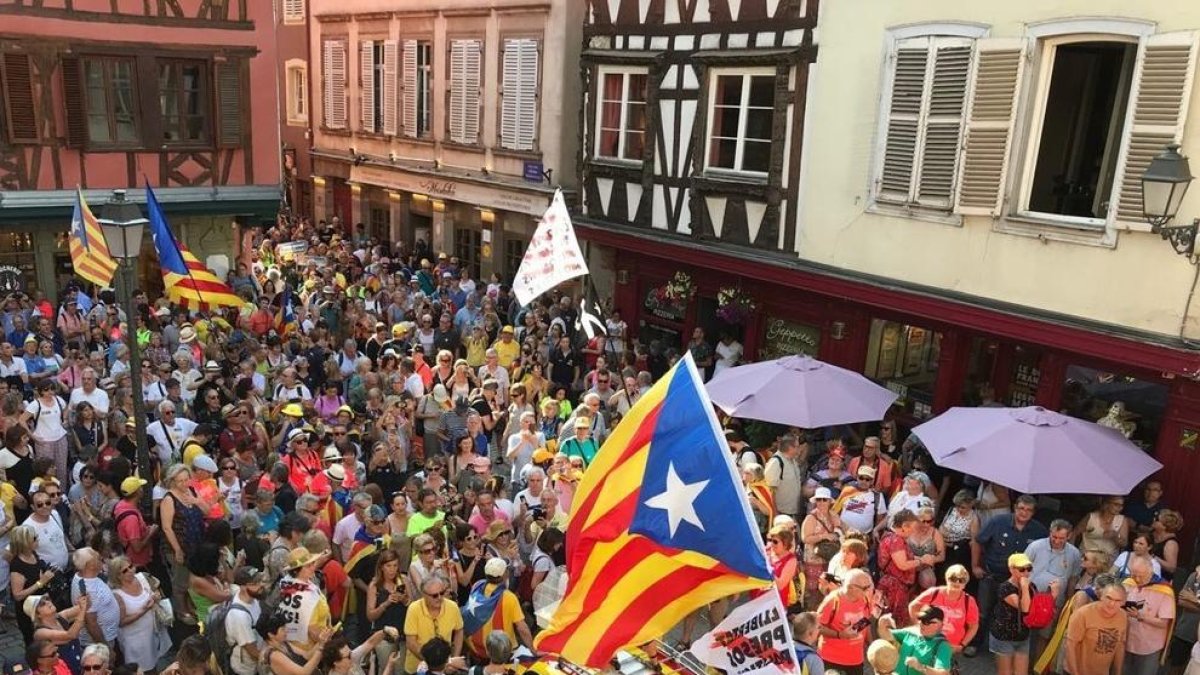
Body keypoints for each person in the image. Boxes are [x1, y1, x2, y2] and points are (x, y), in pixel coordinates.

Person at [972, 495, 1048, 653]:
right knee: (983, 613)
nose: (1024, 513)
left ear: (1033, 513)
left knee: (1014, 614)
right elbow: (978, 541)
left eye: (1028, 510)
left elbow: (1042, 554)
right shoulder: (997, 522)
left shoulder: (1040, 530)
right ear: (1015, 507)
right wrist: (975, 566)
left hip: (1016, 582)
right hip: (992, 575)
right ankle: (974, 644)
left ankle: (1004, 650)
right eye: (1021, 508)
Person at [1026, 519, 1081, 661]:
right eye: (1054, 537)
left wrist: (1068, 602)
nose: (1057, 541)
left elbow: (1073, 579)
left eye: (1061, 538)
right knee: (1025, 634)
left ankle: (1038, 667)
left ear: (1068, 536)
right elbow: (1022, 571)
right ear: (1050, 533)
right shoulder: (1035, 546)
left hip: (1055, 601)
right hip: (1031, 597)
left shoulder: (1074, 553)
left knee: (1045, 635)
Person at [462, 558, 533, 658]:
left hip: (474, 647)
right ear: (505, 575)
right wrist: (533, 649)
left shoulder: (477, 585)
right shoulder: (509, 597)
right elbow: (522, 628)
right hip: (500, 652)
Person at [110, 555, 169, 673]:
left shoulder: (142, 578)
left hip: (152, 632)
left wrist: (156, 596)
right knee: (140, 669)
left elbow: (156, 590)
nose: (130, 571)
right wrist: (144, 610)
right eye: (125, 570)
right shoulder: (117, 594)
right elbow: (121, 622)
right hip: (134, 641)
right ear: (118, 575)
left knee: (154, 664)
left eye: (131, 566)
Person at [909, 565, 980, 656]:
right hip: (929, 641)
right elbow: (913, 606)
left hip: (950, 647)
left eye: (962, 580)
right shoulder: (934, 593)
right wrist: (918, 625)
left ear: (965, 584)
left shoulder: (969, 601)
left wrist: (962, 645)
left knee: (943, 669)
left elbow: (973, 626)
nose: (957, 582)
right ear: (947, 579)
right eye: (953, 578)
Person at [1123, 556, 1175, 675]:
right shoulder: (1128, 583)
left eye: (1140, 575)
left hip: (1149, 646)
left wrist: (1140, 616)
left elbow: (1163, 623)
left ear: (1151, 572)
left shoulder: (1164, 590)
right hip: (1126, 640)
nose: (1136, 579)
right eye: (1133, 574)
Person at [816, 569, 875, 675]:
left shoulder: (865, 600)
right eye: (865, 588)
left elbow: (865, 622)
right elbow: (817, 627)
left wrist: (872, 645)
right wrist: (840, 634)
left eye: (869, 586)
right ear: (850, 587)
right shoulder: (833, 600)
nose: (868, 591)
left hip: (855, 661)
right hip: (831, 659)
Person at [403, 575, 464, 675]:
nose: (439, 598)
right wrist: (436, 665)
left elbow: (459, 631)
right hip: (416, 669)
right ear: (424, 594)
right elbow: (411, 643)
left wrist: (453, 660)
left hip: (446, 668)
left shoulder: (452, 607)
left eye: (442, 593)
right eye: (435, 595)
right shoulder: (414, 609)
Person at [1064, 581, 1128, 675]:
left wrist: (1118, 672)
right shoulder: (1083, 614)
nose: (1111, 604)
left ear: (1123, 602)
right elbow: (1070, 646)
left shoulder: (1122, 616)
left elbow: (1119, 645)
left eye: (1117, 601)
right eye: (1108, 598)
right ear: (1101, 596)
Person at [991, 553, 1037, 675]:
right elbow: (1025, 608)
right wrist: (1025, 588)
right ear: (1011, 569)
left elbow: (1036, 608)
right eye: (1022, 569)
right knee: (1006, 673)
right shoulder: (1005, 588)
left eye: (1029, 569)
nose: (1026, 573)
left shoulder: (1031, 586)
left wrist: (1052, 595)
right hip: (1005, 636)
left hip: (1023, 635)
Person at [877, 606, 955, 675]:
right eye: (921, 620)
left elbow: (943, 673)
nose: (921, 624)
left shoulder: (942, 645)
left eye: (926, 622)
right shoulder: (911, 633)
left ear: (939, 625)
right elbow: (887, 636)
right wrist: (882, 623)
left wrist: (920, 666)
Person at [71, 547, 121, 650]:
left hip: (109, 636)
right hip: (101, 643)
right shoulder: (87, 589)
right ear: (91, 565)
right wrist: (106, 648)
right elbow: (91, 623)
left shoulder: (85, 577)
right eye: (98, 558)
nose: (101, 559)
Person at [27, 594, 89, 675]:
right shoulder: (40, 632)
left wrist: (85, 599)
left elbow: (84, 606)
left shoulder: (60, 617)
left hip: (79, 665)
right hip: (62, 670)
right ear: (37, 614)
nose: (48, 602)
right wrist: (83, 609)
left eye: (47, 599)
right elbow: (71, 635)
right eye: (42, 604)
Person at [256, 610, 333, 675]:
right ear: (271, 635)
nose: (286, 630)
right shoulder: (272, 655)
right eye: (282, 629)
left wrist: (321, 640)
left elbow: (306, 656)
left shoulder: (283, 643)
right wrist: (321, 646)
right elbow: (303, 672)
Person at [225, 566, 268, 675]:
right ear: (243, 587)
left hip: (257, 662)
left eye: (260, 580)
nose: (261, 585)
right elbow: (252, 652)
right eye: (255, 583)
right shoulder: (239, 616)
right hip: (246, 670)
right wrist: (274, 659)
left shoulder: (253, 598)